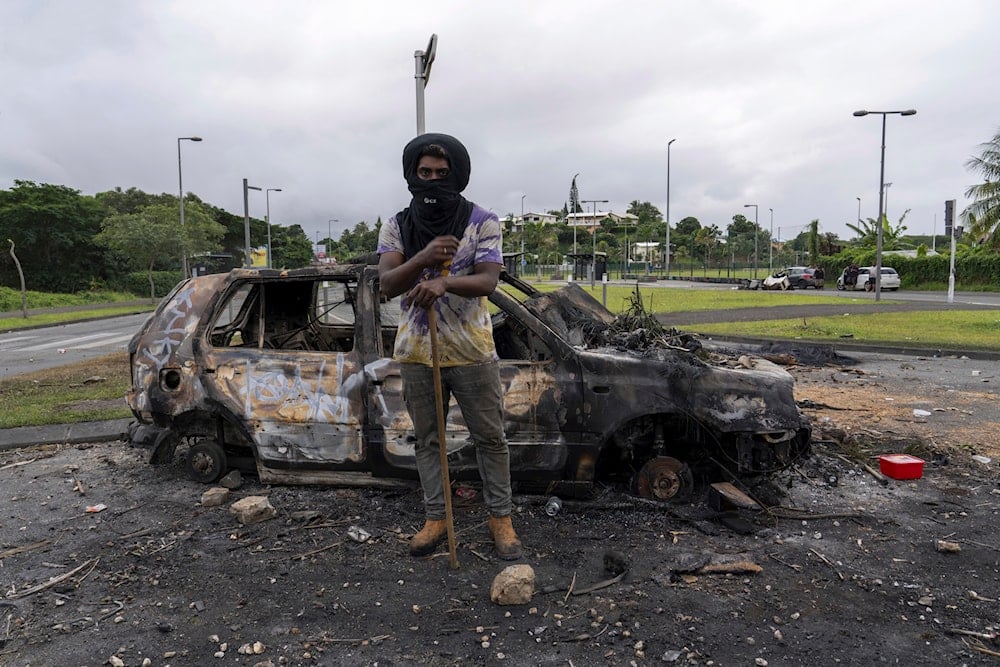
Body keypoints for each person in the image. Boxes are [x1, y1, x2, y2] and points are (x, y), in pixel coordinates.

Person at [376, 133, 523, 561]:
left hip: (472, 351)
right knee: (428, 439)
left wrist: (445, 282)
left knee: (490, 439)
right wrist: (423, 259)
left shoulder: (483, 221)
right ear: (412, 175)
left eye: (442, 173)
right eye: (425, 173)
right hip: (419, 352)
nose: (433, 180)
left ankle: (501, 520)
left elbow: (488, 281)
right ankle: (437, 519)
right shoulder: (397, 225)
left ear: (457, 174)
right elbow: (387, 283)